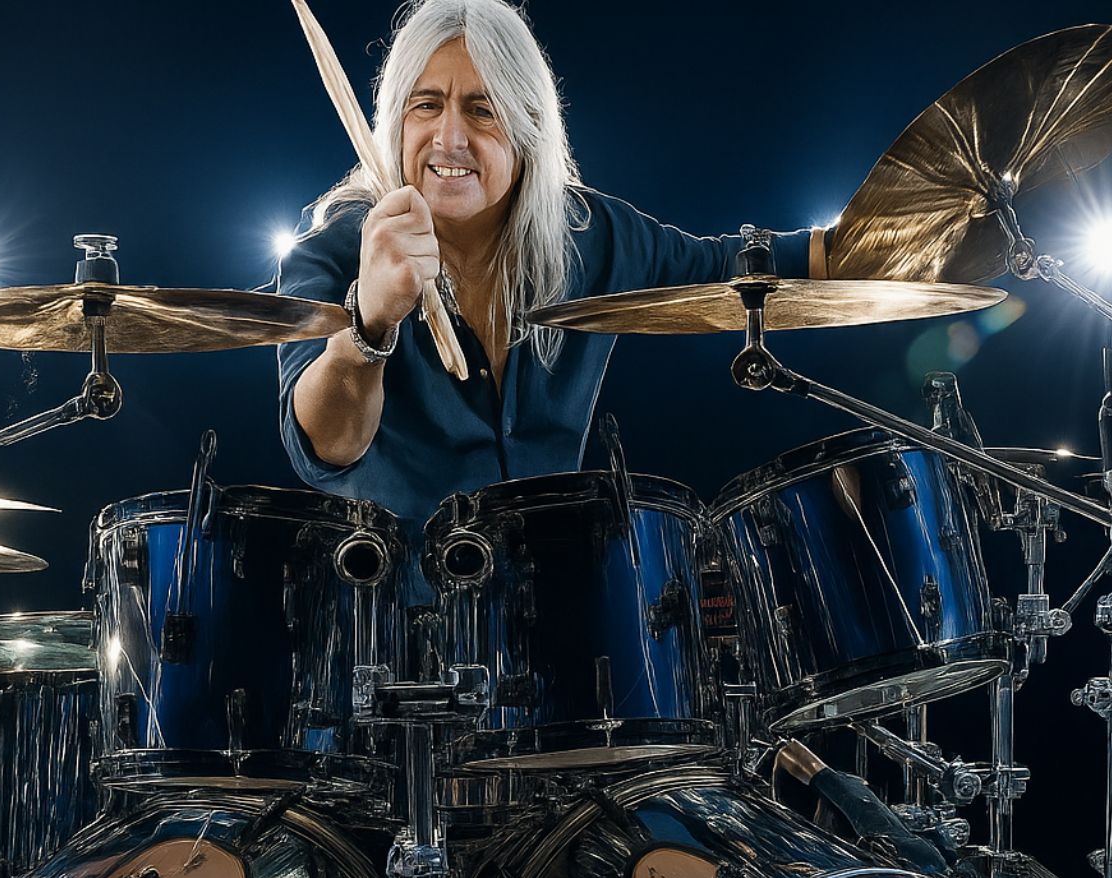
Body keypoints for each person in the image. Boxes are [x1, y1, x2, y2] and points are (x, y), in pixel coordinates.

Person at [276, 0, 830, 590]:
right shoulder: (332, 248)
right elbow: (326, 447)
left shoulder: (590, 235)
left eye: (483, 110)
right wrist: (370, 324)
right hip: (395, 616)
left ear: (529, 126)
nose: (450, 138)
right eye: (426, 105)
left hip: (560, 610)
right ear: (395, 123)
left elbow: (732, 269)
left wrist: (878, 234)